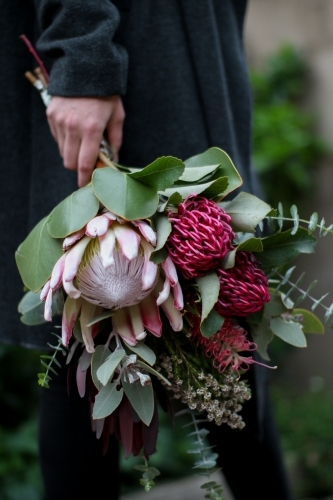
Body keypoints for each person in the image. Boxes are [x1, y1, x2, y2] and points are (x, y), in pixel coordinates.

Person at [0, 1, 293, 499]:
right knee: (89, 329)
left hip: (181, 40)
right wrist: (85, 59)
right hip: (128, 51)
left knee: (217, 318)